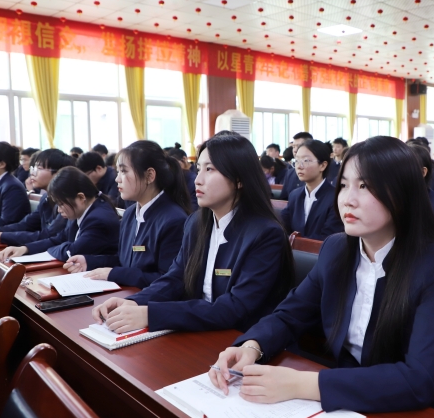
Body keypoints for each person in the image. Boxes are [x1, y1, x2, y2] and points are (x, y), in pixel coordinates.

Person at [208, 136, 434, 417]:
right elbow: (290, 315)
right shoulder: (337, 248)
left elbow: (420, 380)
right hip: (348, 399)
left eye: (364, 186)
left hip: (420, 413)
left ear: (402, 193)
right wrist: (252, 346)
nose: (347, 199)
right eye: (343, 185)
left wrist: (304, 383)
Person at [90, 132, 295, 334]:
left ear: (239, 179)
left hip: (243, 339)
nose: (198, 180)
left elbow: (234, 308)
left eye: (210, 169)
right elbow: (176, 278)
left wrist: (150, 314)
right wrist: (134, 302)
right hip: (201, 329)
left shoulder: (266, 234)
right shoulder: (197, 222)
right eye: (199, 169)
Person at [64, 141, 190, 288]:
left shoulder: (173, 220)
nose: (117, 179)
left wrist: (114, 274)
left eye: (123, 171)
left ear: (149, 175)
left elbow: (167, 280)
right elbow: (124, 261)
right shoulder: (130, 213)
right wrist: (89, 261)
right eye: (117, 171)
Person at [0, 167, 120, 262]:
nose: (59, 210)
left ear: (81, 197)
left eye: (61, 204)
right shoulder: (80, 210)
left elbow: (71, 251)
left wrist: (57, 248)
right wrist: (25, 249)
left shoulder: (98, 219)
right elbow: (59, 239)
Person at [0, 149, 72, 246]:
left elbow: (48, 235)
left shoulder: (68, 202)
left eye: (39, 168)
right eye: (33, 168)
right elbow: (25, 225)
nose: (32, 174)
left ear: (58, 174)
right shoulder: (46, 198)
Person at [280, 140, 343, 240]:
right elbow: (282, 225)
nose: (299, 166)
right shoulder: (295, 195)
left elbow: (329, 236)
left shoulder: (336, 197)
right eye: (296, 161)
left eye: (306, 161)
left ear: (322, 165)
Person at [280, 132, 314, 200]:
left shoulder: (315, 171)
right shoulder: (290, 173)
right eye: (293, 146)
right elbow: (283, 199)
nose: (295, 150)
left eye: (299, 146)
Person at [167, 142, 198, 212]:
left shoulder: (194, 178)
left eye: (175, 164)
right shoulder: (173, 177)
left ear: (184, 159)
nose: (173, 168)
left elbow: (193, 208)